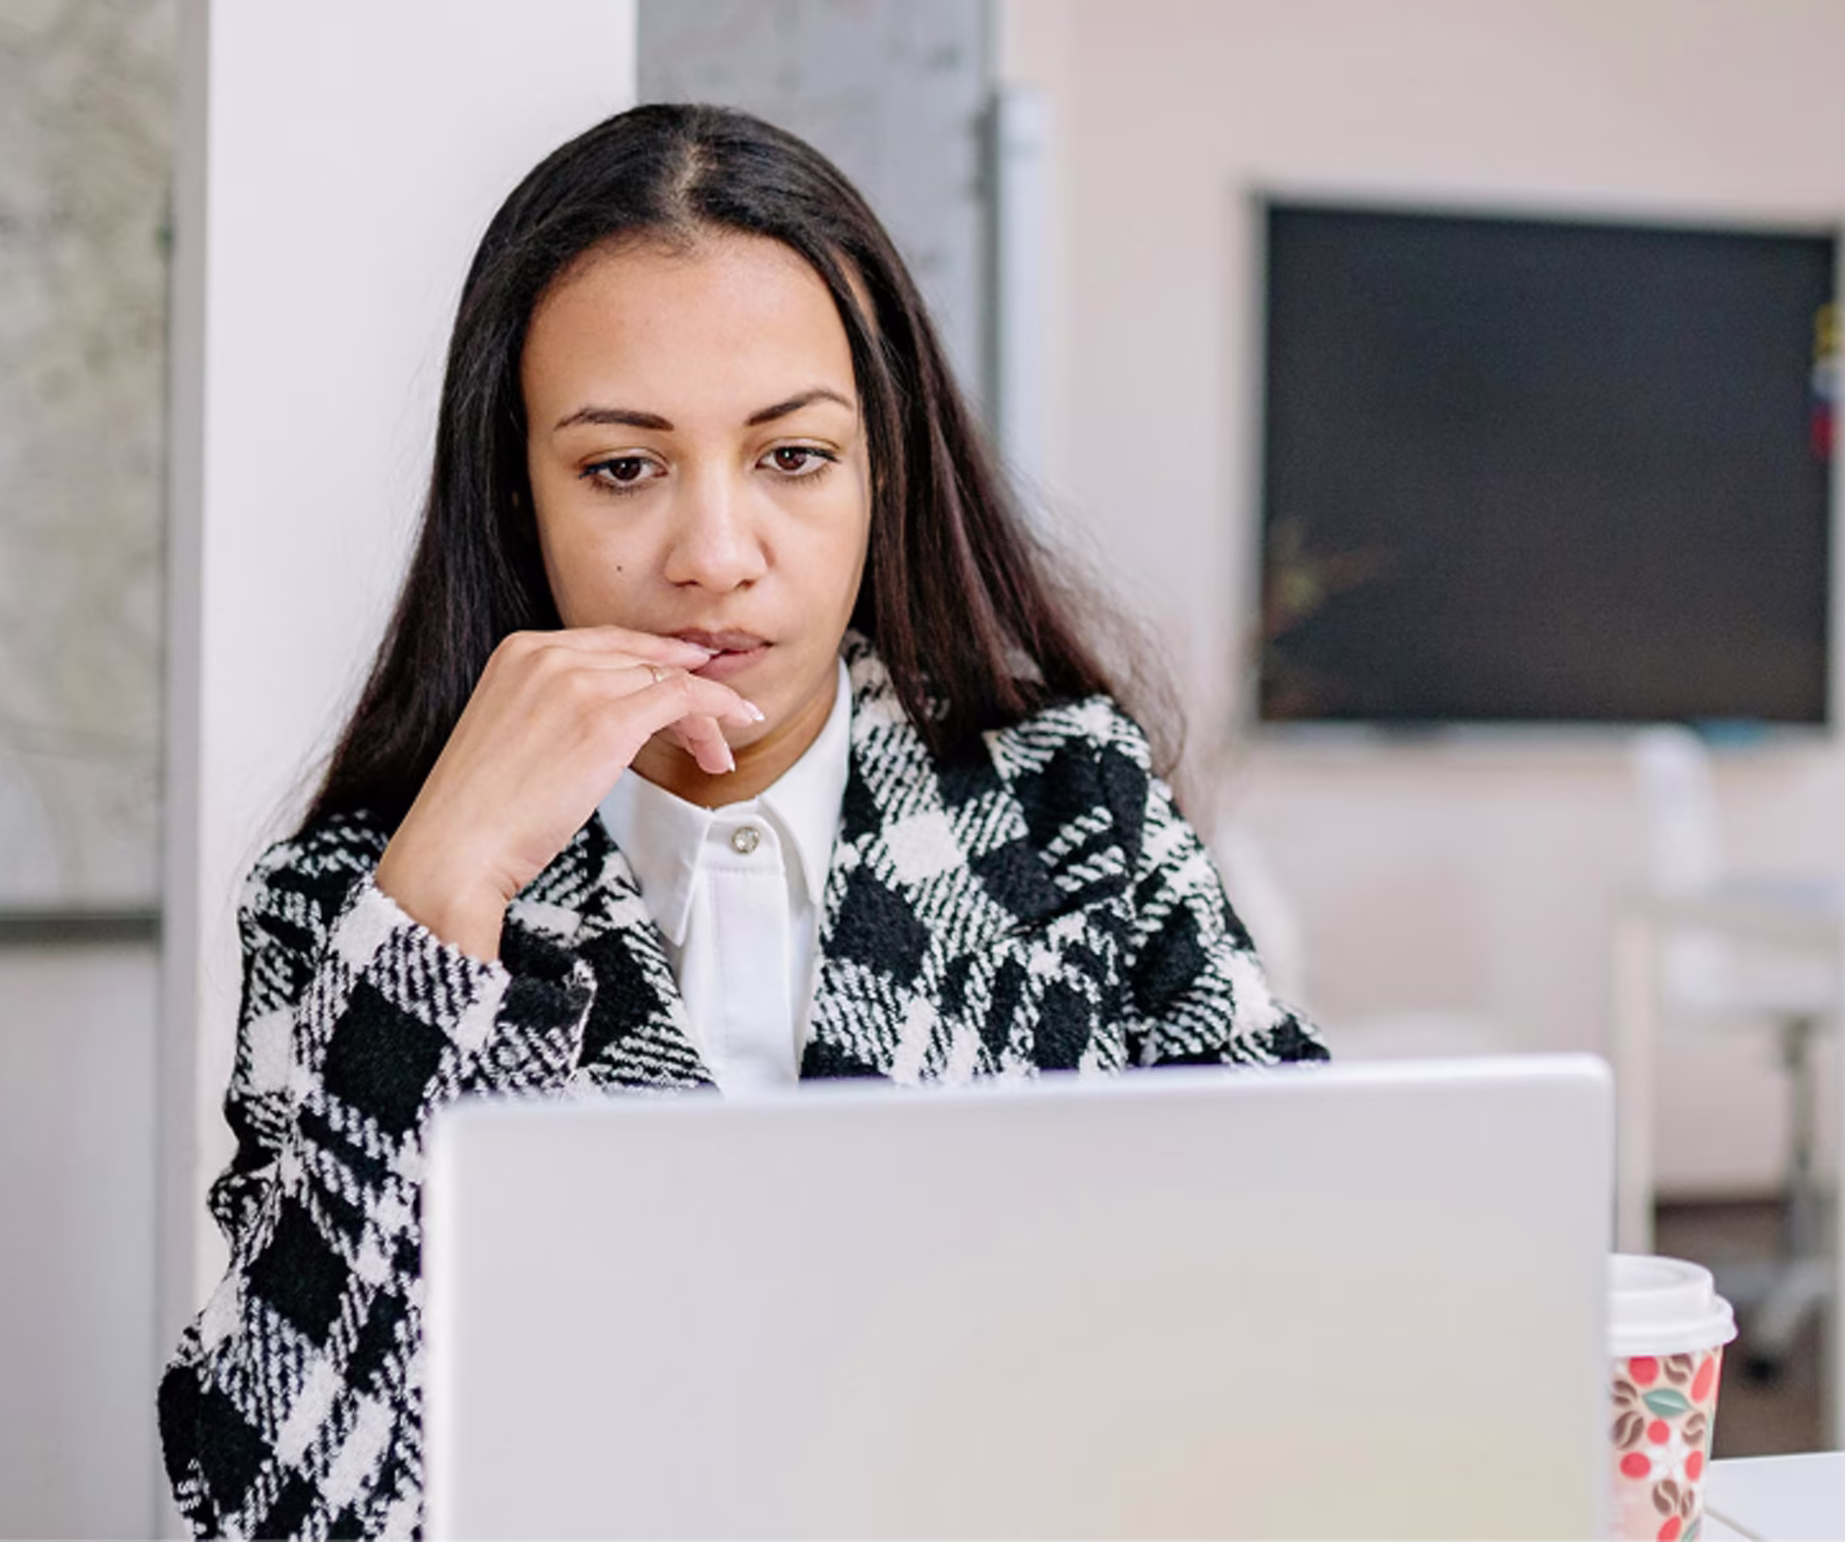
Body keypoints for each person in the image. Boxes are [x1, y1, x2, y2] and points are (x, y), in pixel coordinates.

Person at [156, 104, 1326, 1539]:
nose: (715, 558)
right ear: (519, 495)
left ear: (883, 469)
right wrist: (444, 899)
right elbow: (264, 1505)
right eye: (622, 468)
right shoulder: (361, 896)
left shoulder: (1066, 801)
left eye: (793, 458)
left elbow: (1307, 1305)